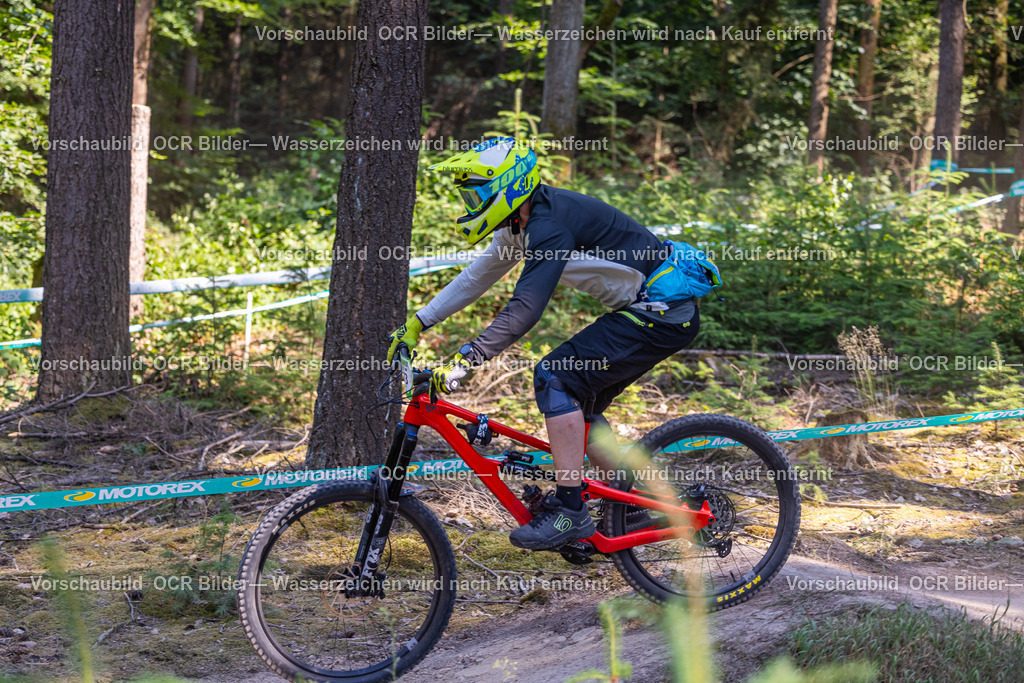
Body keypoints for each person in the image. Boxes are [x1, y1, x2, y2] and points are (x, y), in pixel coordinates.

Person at [386, 137, 710, 551]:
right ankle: (631, 505)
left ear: (509, 185)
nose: (471, 201)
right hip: (646, 311)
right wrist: (418, 323)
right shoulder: (519, 224)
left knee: (555, 376)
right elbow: (476, 277)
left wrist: (466, 360)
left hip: (663, 313)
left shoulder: (548, 226)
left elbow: (526, 307)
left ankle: (571, 512)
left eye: (477, 192)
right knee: (580, 405)